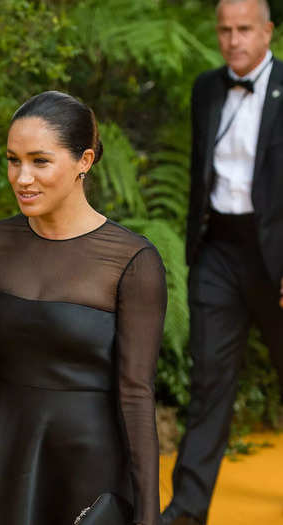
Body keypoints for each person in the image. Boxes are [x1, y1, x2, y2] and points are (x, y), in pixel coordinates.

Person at [0, 91, 166, 525]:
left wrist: (148, 517)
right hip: (1, 463)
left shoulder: (131, 260)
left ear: (84, 161)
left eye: (40, 161)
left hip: (87, 469)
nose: (22, 177)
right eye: (13, 160)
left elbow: (136, 394)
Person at [161, 1, 283, 523]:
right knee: (209, 383)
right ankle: (186, 512)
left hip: (277, 254)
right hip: (218, 252)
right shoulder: (206, 88)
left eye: (243, 30)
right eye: (224, 30)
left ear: (268, 31)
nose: (232, 40)